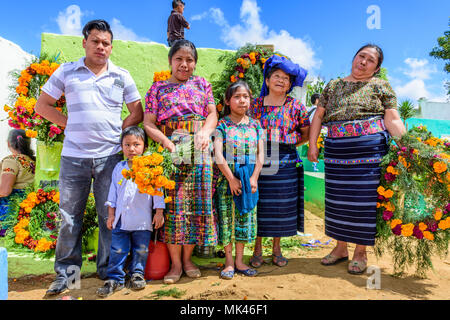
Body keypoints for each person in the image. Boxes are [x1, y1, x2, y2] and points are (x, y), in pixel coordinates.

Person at [35, 19, 144, 296]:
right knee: (70, 218)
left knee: (110, 217)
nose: (100, 47)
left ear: (111, 46)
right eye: (95, 41)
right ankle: (67, 276)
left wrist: (116, 133)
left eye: (106, 43)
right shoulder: (67, 71)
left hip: (110, 157)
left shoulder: (122, 75)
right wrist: (68, 123)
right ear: (84, 42)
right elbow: (42, 105)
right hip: (73, 157)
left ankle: (109, 272)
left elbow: (137, 112)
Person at [307, 44, 406, 275]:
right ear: (354, 57)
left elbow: (392, 118)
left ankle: (360, 252)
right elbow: (319, 116)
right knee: (337, 201)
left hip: (368, 154)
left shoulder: (381, 86)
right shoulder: (333, 85)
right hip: (336, 153)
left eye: (370, 60)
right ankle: (340, 248)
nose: (363, 62)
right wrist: (313, 144)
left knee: (363, 203)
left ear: (376, 68)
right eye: (361, 56)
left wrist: (408, 147)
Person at [144, 39, 218, 284]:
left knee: (196, 207)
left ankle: (188, 260)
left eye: (189, 60)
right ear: (170, 61)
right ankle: (175, 265)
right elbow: (148, 123)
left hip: (200, 151)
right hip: (170, 151)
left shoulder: (203, 84)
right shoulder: (157, 89)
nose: (184, 64)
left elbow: (212, 115)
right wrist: (168, 144)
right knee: (173, 208)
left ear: (195, 63)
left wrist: (206, 132)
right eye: (179, 59)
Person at [249, 55, 310, 268]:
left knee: (281, 207)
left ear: (290, 84)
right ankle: (257, 249)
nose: (281, 81)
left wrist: (287, 145)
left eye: (286, 78)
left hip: (285, 162)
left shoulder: (296, 107)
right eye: (276, 76)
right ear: (267, 81)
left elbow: (305, 133)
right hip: (257, 159)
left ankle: (276, 249)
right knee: (259, 205)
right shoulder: (254, 106)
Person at [96, 126, 165, 297]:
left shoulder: (150, 168)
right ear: (121, 147)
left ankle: (137, 275)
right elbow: (112, 193)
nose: (132, 149)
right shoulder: (119, 168)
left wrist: (158, 213)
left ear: (145, 147)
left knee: (141, 250)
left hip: (142, 221)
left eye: (136, 144)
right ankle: (115, 279)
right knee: (118, 250)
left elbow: (158, 192)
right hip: (121, 220)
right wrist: (111, 215)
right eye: (127, 145)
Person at [214, 81, 264, 280]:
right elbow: (218, 154)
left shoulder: (256, 125)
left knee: (244, 219)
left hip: (249, 179)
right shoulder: (222, 125)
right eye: (236, 96)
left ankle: (240, 261)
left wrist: (254, 178)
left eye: (245, 96)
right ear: (228, 101)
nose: (242, 100)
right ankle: (228, 262)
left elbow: (261, 154)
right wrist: (231, 179)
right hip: (227, 179)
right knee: (227, 220)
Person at [0, 129, 35, 236]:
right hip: (28, 209)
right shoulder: (32, 161)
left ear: (8, 143)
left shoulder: (11, 161)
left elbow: (4, 191)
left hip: (10, 211)